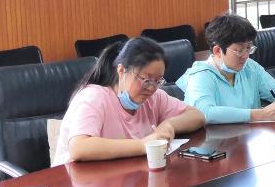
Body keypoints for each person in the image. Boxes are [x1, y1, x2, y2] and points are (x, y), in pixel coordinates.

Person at [52, 38, 204, 165]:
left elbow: (197, 116)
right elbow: (79, 147)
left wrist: (169, 124)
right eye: (145, 80)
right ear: (121, 71)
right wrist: (143, 145)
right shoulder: (94, 97)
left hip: (120, 178)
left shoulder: (154, 98)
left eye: (158, 81)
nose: (151, 88)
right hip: (76, 183)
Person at [176, 13, 275, 123]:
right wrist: (259, 114)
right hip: (215, 143)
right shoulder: (201, 75)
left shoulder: (250, 67)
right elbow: (204, 112)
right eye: (239, 51)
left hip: (247, 140)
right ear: (217, 51)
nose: (246, 56)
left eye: (248, 48)